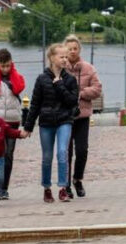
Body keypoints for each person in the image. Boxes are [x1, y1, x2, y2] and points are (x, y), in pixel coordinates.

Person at [23, 43, 79, 203]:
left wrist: (59, 84)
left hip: (64, 121)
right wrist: (28, 127)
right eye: (61, 57)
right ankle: (47, 188)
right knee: (47, 157)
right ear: (52, 58)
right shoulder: (41, 79)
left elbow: (72, 101)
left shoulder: (70, 79)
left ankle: (63, 188)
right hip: (46, 122)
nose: (64, 60)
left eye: (66, 57)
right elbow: (34, 104)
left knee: (62, 152)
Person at [0, 48, 26, 200]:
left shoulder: (17, 76)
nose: (6, 69)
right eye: (3, 66)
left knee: (9, 155)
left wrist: (12, 72)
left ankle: (4, 188)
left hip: (13, 120)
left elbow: (19, 88)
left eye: (8, 65)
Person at [63, 35, 102, 199]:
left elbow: (97, 89)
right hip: (64, 116)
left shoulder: (88, 68)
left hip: (83, 115)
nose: (72, 51)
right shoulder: (60, 68)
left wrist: (81, 94)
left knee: (82, 150)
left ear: (79, 50)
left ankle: (77, 179)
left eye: (75, 48)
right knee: (66, 151)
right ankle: (65, 184)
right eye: (69, 49)